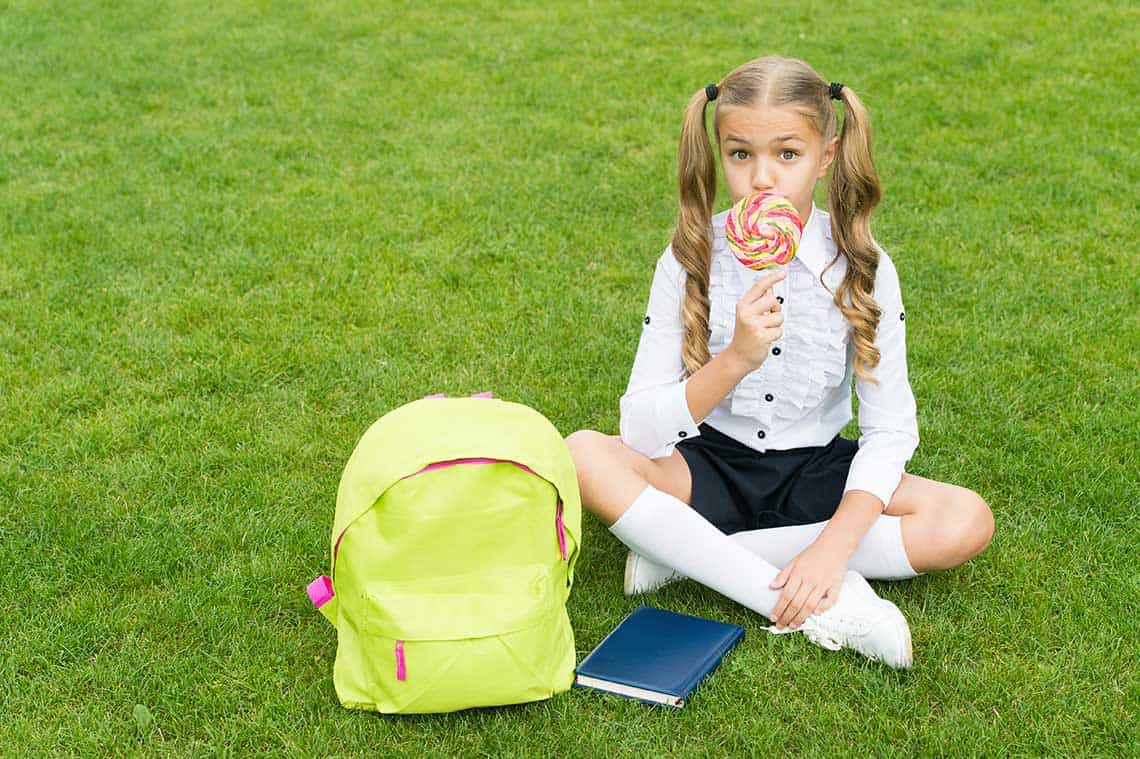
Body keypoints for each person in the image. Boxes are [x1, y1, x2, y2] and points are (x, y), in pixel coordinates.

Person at [566, 56, 994, 668]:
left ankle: (686, 555)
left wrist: (834, 547)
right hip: (705, 466)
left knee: (963, 520)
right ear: (720, 153)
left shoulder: (862, 265)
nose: (762, 179)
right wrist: (735, 359)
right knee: (584, 453)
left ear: (826, 156)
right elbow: (637, 429)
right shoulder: (691, 257)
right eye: (741, 155)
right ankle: (820, 606)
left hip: (817, 471)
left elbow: (890, 429)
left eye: (787, 155)